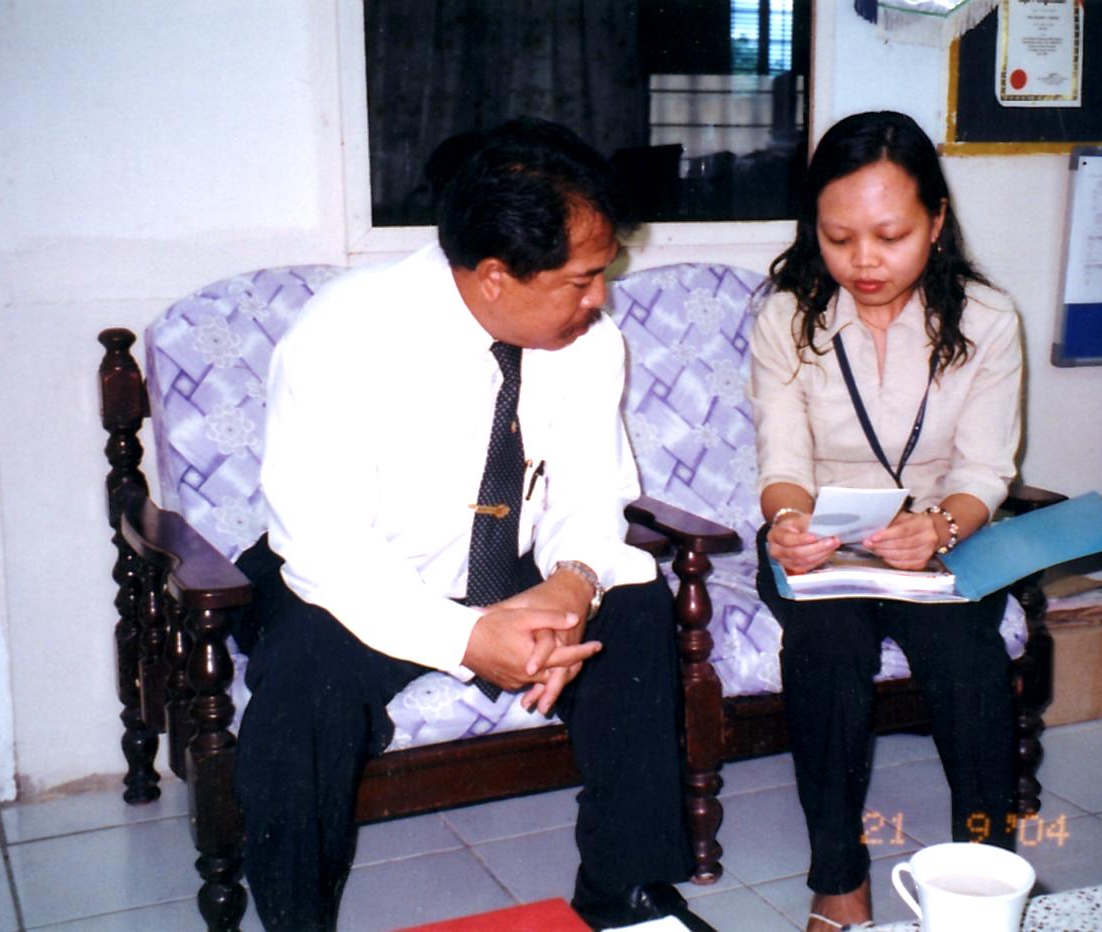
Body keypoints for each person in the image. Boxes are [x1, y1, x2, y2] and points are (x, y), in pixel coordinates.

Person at [233, 117, 711, 932]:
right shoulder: (343, 335)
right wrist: (465, 640)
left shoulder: (589, 342)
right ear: (494, 277)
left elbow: (591, 493)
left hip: (504, 564)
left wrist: (572, 584)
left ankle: (626, 896)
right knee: (303, 677)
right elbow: (324, 543)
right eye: (581, 279)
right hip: (355, 577)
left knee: (634, 609)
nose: (599, 299)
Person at [750, 111, 1024, 930]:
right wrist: (789, 523)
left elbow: (983, 472)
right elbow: (782, 464)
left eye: (889, 236)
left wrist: (938, 527)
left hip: (939, 538)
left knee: (968, 660)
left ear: (935, 222)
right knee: (827, 650)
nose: (863, 261)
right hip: (821, 536)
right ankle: (838, 879)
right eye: (837, 238)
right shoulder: (786, 319)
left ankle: (982, 872)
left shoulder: (985, 321)